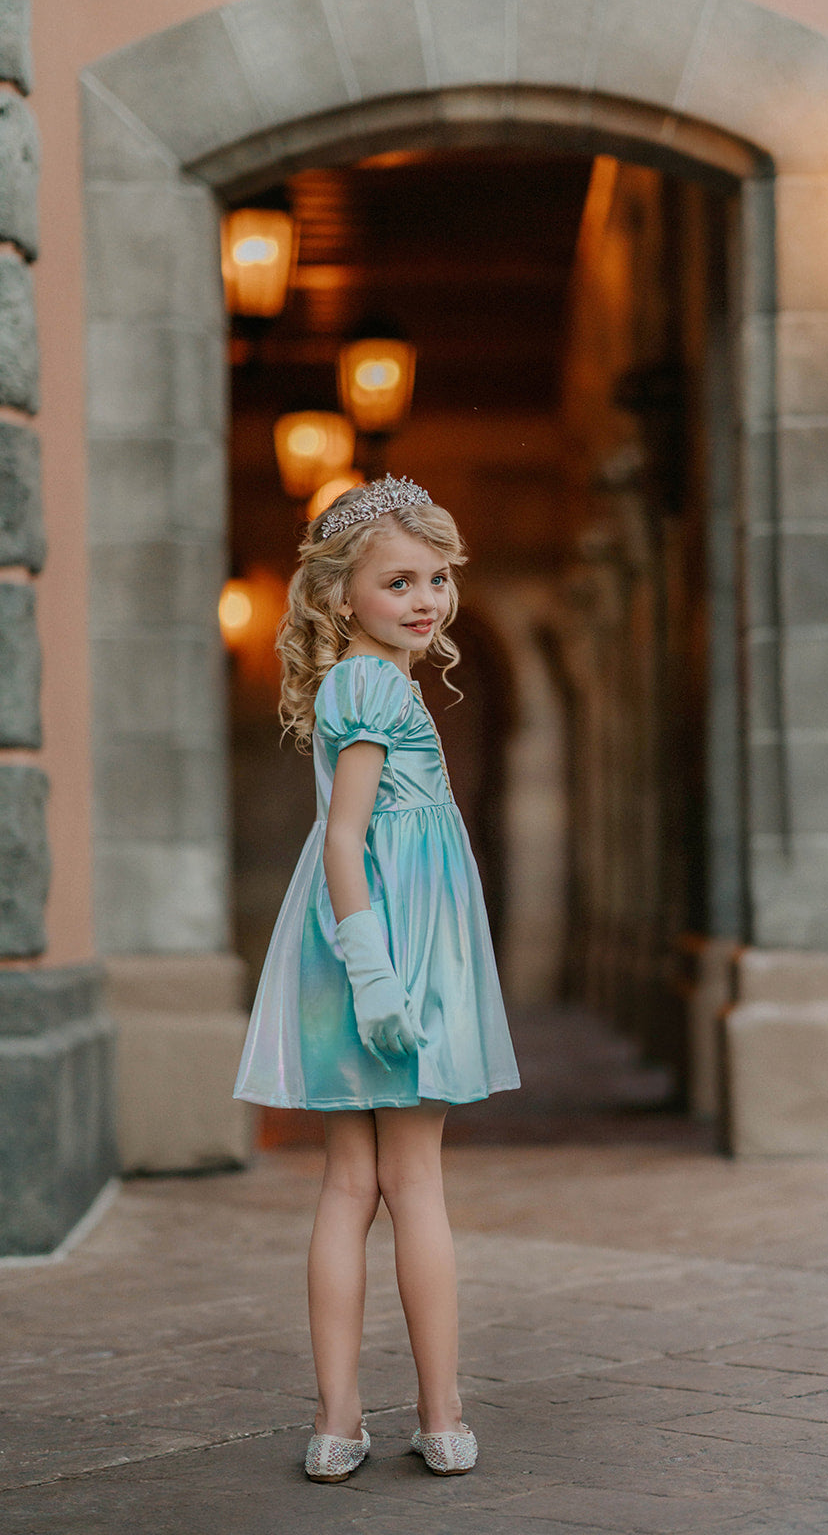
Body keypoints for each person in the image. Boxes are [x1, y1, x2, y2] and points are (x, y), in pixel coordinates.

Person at [233, 472, 520, 1483]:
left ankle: (337, 1421)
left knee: (350, 1181)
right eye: (397, 581)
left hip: (369, 944)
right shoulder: (374, 684)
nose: (424, 599)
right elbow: (347, 838)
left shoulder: (364, 681)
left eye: (435, 578)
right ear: (340, 594)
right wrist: (378, 979)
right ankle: (438, 1416)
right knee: (410, 1181)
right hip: (386, 952)